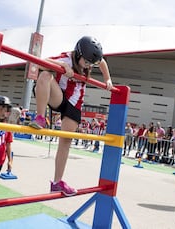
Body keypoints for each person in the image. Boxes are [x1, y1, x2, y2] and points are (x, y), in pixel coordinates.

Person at [29, 36, 113, 196]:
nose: (89, 66)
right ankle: (40, 118)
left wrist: (107, 79)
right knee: (45, 75)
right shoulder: (66, 59)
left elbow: (101, 62)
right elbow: (39, 62)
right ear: (79, 54)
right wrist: (61, 67)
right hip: (58, 97)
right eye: (87, 62)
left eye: (91, 64)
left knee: (66, 141)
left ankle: (57, 182)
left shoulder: (91, 61)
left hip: (74, 104)